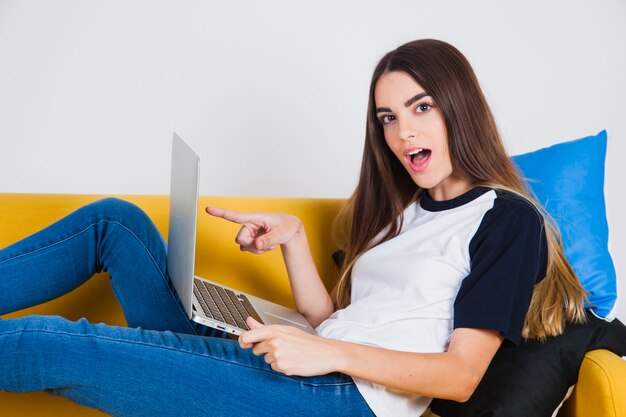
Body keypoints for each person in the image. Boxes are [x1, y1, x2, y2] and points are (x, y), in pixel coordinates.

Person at [0, 39, 587, 417]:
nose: (403, 132)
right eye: (388, 118)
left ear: (459, 105)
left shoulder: (507, 219)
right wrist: (295, 243)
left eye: (421, 107)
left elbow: (460, 377)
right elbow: (333, 319)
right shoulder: (404, 211)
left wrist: (326, 353)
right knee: (116, 224)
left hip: (339, 400)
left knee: (48, 344)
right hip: (315, 367)